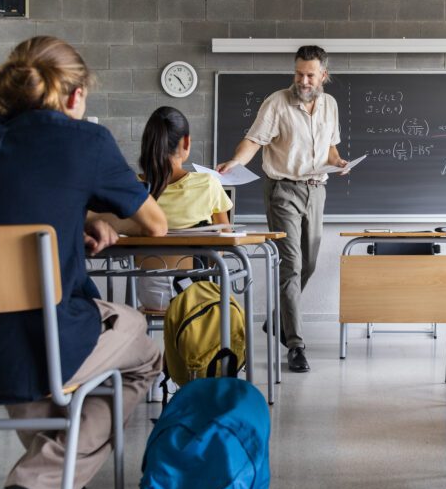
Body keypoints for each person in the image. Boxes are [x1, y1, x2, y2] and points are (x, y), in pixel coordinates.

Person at [0, 36, 167, 489]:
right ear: (75, 95)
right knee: (143, 354)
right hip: (45, 341)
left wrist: (73, 217)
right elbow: (155, 223)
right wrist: (97, 215)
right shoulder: (85, 141)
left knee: (24, 342)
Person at [216, 45, 347, 373]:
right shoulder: (276, 102)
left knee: (310, 263)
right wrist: (235, 161)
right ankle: (296, 345)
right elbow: (254, 141)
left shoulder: (330, 105)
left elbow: (330, 147)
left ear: (323, 76)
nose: (303, 80)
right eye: (299, 73)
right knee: (291, 264)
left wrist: (339, 162)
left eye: (310, 75)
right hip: (282, 190)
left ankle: (277, 320)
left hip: (317, 189)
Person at [136, 106, 233, 312]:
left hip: (152, 295)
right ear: (186, 142)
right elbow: (225, 240)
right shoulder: (208, 184)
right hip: (196, 295)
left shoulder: (134, 188)